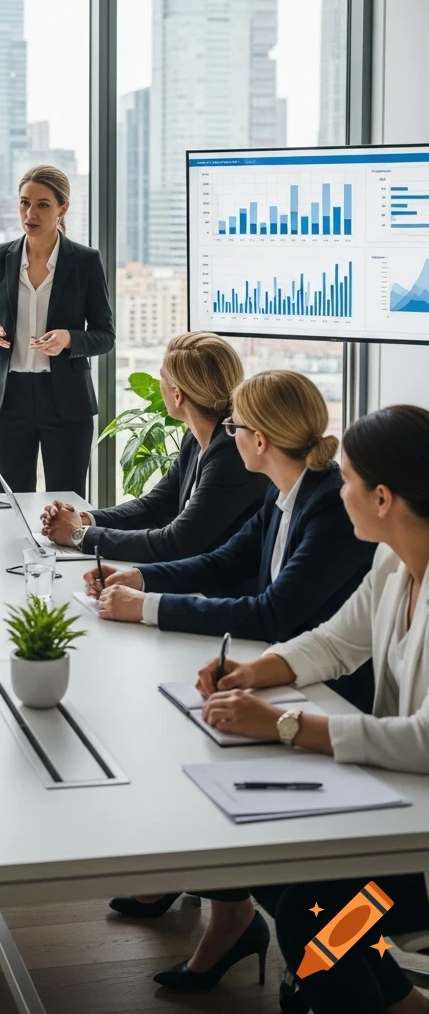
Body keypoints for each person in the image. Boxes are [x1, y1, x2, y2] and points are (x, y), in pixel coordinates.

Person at [136, 404, 429, 1010]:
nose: (337, 489)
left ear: (382, 498)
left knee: (311, 925)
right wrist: (252, 671)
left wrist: (286, 725)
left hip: (414, 848)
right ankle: (401, 1002)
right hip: (397, 806)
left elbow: (426, 740)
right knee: (278, 874)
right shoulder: (393, 560)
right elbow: (336, 641)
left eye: (346, 480)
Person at [83, 370, 376, 682]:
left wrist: (147, 607)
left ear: (260, 441)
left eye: (234, 427)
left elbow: (271, 614)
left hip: (324, 690)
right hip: (272, 666)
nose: (231, 435)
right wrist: (140, 578)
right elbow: (224, 563)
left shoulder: (331, 507)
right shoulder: (281, 490)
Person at [41, 332, 267, 560]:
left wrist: (79, 535)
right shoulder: (198, 437)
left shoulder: (231, 451)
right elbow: (156, 505)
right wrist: (82, 519)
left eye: (162, 379)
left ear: (178, 395)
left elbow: (176, 542)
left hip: (215, 589)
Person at [0, 165, 115, 496]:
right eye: (24, 203)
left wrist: (69, 339)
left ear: (62, 208)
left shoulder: (85, 260)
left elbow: (105, 335)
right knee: (11, 502)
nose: (30, 213)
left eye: (42, 205)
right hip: (7, 400)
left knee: (66, 502)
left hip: (65, 400)